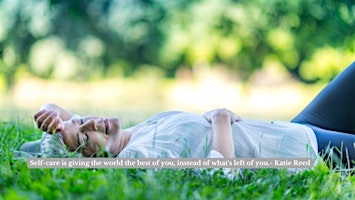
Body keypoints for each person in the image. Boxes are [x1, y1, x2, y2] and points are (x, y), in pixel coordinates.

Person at [20, 62, 355, 169]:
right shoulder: (142, 157)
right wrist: (221, 118)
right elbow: (221, 173)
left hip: (290, 128)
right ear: (92, 157)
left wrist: (51, 113)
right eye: (84, 136)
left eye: (81, 120)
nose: (90, 123)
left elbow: (61, 120)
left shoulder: (127, 134)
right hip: (306, 149)